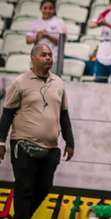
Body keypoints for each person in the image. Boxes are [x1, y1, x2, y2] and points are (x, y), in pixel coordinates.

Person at [0, 44, 75, 219]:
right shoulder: (20, 82)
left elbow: (64, 115)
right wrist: (1, 141)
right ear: (33, 58)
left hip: (50, 148)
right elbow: (7, 113)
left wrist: (70, 142)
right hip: (23, 144)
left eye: (50, 55)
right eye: (44, 55)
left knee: (44, 188)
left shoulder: (58, 82)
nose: (48, 58)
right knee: (24, 187)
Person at [26, 0, 67, 73]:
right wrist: (38, 36)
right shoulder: (36, 22)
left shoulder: (59, 22)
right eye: (45, 8)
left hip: (53, 59)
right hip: (37, 59)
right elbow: (28, 40)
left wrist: (48, 35)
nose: (47, 11)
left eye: (50, 8)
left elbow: (62, 41)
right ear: (40, 9)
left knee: (50, 82)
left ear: (54, 9)